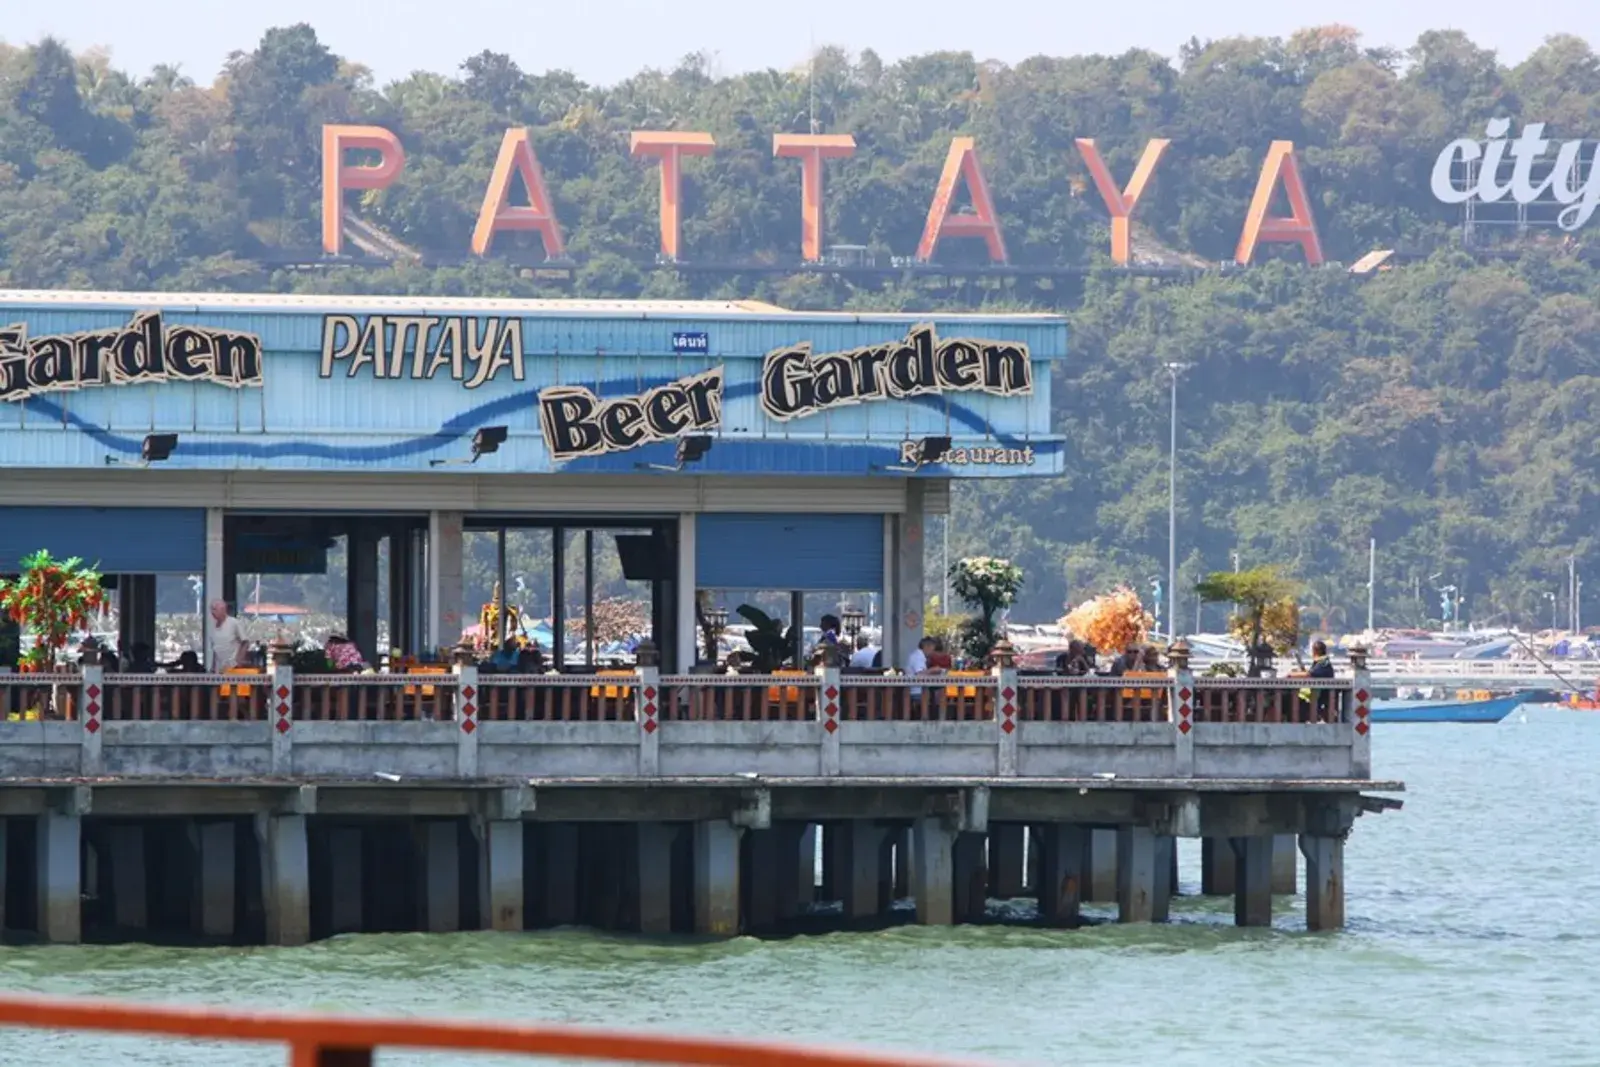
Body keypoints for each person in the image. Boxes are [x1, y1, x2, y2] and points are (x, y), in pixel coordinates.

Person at [208, 600, 249, 673]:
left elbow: (245, 642)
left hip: (233, 667)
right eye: (211, 609)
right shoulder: (213, 627)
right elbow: (215, 649)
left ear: (223, 610)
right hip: (219, 669)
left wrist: (239, 660)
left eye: (215, 609)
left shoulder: (234, 623)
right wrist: (213, 667)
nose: (212, 612)